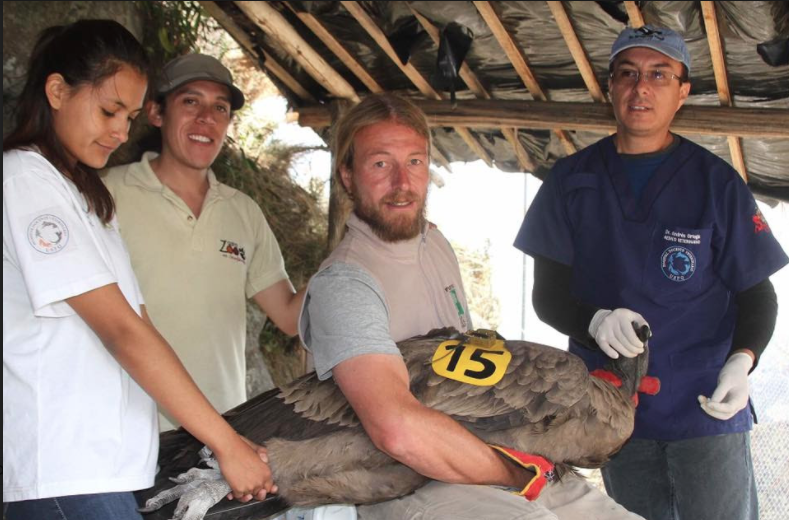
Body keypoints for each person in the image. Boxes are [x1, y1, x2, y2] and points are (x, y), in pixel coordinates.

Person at [298, 93, 643, 519]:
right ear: (348, 176)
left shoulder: (435, 245)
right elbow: (396, 431)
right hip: (399, 479)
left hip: (484, 447)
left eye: (415, 161)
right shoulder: (345, 284)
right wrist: (516, 473)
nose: (402, 183)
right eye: (381, 164)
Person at [3, 20, 275, 519]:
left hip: (111, 468)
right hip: (62, 467)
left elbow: (140, 324)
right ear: (57, 91)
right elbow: (122, 332)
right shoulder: (26, 179)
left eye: (128, 117)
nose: (121, 132)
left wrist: (222, 438)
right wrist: (225, 442)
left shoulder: (87, 196)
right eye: (108, 111)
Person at [514, 24, 787, 520]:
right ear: (611, 87)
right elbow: (547, 296)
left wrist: (742, 361)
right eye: (628, 73)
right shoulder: (571, 181)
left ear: (682, 92)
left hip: (705, 404)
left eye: (659, 75)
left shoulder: (716, 183)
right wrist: (594, 321)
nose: (641, 87)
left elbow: (757, 294)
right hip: (614, 408)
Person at [103, 53, 304, 431]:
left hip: (221, 432)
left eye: (220, 108)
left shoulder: (243, 212)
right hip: (122, 432)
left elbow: (290, 317)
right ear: (156, 113)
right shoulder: (106, 194)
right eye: (191, 102)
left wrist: (346, 262)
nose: (207, 118)